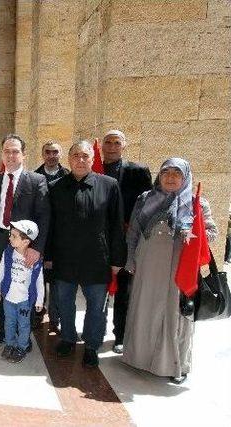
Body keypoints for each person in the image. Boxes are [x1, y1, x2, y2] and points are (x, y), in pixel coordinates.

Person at [122, 158, 217, 384]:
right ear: (160, 175)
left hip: (178, 270)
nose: (171, 177)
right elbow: (133, 233)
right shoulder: (145, 199)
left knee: (173, 314)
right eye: (167, 172)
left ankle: (175, 365)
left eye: (177, 173)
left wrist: (196, 232)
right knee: (144, 309)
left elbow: (211, 233)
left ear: (185, 177)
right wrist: (130, 261)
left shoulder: (196, 203)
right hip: (147, 267)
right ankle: (139, 359)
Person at [46, 140, 126, 368]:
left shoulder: (109, 185)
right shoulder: (56, 187)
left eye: (85, 156)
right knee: (64, 303)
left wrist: (117, 260)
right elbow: (50, 226)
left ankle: (91, 345)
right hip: (64, 259)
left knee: (96, 307)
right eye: (76, 156)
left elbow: (116, 225)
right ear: (69, 159)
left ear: (92, 159)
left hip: (97, 259)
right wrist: (48, 257)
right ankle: (68, 338)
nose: (80, 160)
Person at [0, 134, 50, 344]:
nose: (10, 155)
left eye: (15, 151)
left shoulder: (36, 181)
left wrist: (36, 248)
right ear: (1, 154)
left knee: (23, 289)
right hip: (0, 239)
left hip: (24, 245)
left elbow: (44, 217)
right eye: (6, 151)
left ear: (23, 154)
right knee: (3, 286)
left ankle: (23, 335)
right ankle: (4, 329)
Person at [100, 130, 153, 354]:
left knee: (124, 290)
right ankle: (96, 329)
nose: (112, 146)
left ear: (123, 145)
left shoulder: (138, 171)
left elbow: (147, 206)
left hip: (125, 240)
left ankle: (120, 335)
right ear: (102, 146)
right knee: (97, 287)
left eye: (116, 142)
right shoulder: (93, 168)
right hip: (99, 241)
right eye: (108, 142)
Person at [0, 220, 44, 363]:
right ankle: (10, 344)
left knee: (23, 325)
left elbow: (39, 281)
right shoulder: (8, 253)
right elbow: (0, 271)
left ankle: (22, 347)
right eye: (11, 235)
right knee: (9, 322)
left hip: (25, 301)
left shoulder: (35, 260)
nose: (10, 238)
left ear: (26, 241)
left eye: (14, 236)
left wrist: (39, 299)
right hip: (9, 298)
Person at [34, 140, 69, 334]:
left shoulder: (69, 177)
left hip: (61, 237)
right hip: (39, 236)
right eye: (48, 152)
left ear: (60, 154)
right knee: (38, 279)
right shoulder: (33, 176)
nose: (51, 155)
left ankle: (56, 317)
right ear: (43, 155)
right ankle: (37, 313)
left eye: (55, 152)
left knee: (57, 281)